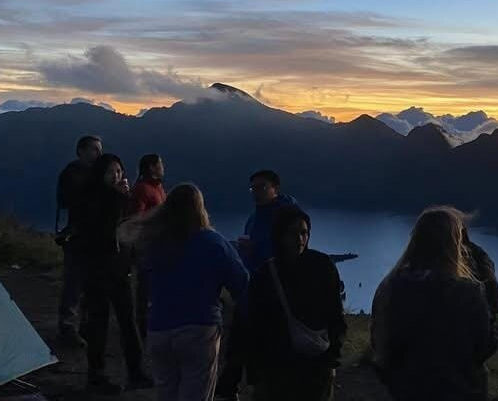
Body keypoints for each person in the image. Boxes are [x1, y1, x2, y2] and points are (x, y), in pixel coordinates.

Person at [130, 184, 248, 401]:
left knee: (167, 393)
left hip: (159, 329)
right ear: (199, 208)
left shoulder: (155, 243)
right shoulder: (213, 242)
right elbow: (241, 282)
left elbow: (146, 282)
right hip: (199, 330)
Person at [371, 206, 496, 401]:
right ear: (453, 244)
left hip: (405, 391)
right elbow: (481, 349)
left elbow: (380, 344)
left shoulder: (390, 287)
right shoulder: (468, 293)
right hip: (458, 393)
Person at [70, 153, 152, 394]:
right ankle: (97, 376)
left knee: (127, 322)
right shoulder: (94, 200)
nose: (116, 176)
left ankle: (135, 372)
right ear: (100, 175)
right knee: (99, 324)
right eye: (111, 172)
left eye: (119, 171)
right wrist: (120, 198)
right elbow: (106, 232)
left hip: (119, 270)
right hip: (99, 272)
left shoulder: (117, 198)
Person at [214, 170, 300, 401]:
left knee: (260, 343)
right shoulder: (255, 216)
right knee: (240, 340)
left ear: (276, 189)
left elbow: (289, 251)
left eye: (262, 187)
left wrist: (256, 250)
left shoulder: (286, 216)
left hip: (274, 290)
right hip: (252, 288)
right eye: (253, 188)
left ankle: (254, 389)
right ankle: (229, 389)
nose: (256, 192)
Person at [246, 206, 347, 401]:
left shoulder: (324, 267)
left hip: (316, 367)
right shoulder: (265, 276)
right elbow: (255, 326)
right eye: (293, 233)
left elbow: (335, 313)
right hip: (277, 369)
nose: (300, 239)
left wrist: (332, 356)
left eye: (304, 233)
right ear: (279, 234)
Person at [55, 134, 102, 348]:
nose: (98, 153)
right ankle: (67, 327)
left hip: (94, 235)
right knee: (74, 282)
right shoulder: (71, 173)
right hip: (78, 235)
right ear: (81, 150)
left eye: (99, 149)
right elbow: (67, 201)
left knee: (91, 282)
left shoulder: (96, 172)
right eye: (94, 149)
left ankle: (84, 325)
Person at [130, 153, 167, 338]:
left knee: (155, 285)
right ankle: (143, 326)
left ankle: (153, 323)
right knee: (145, 287)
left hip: (158, 245)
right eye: (160, 164)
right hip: (146, 246)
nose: (163, 167)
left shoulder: (158, 187)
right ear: (152, 167)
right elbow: (137, 218)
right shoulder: (143, 189)